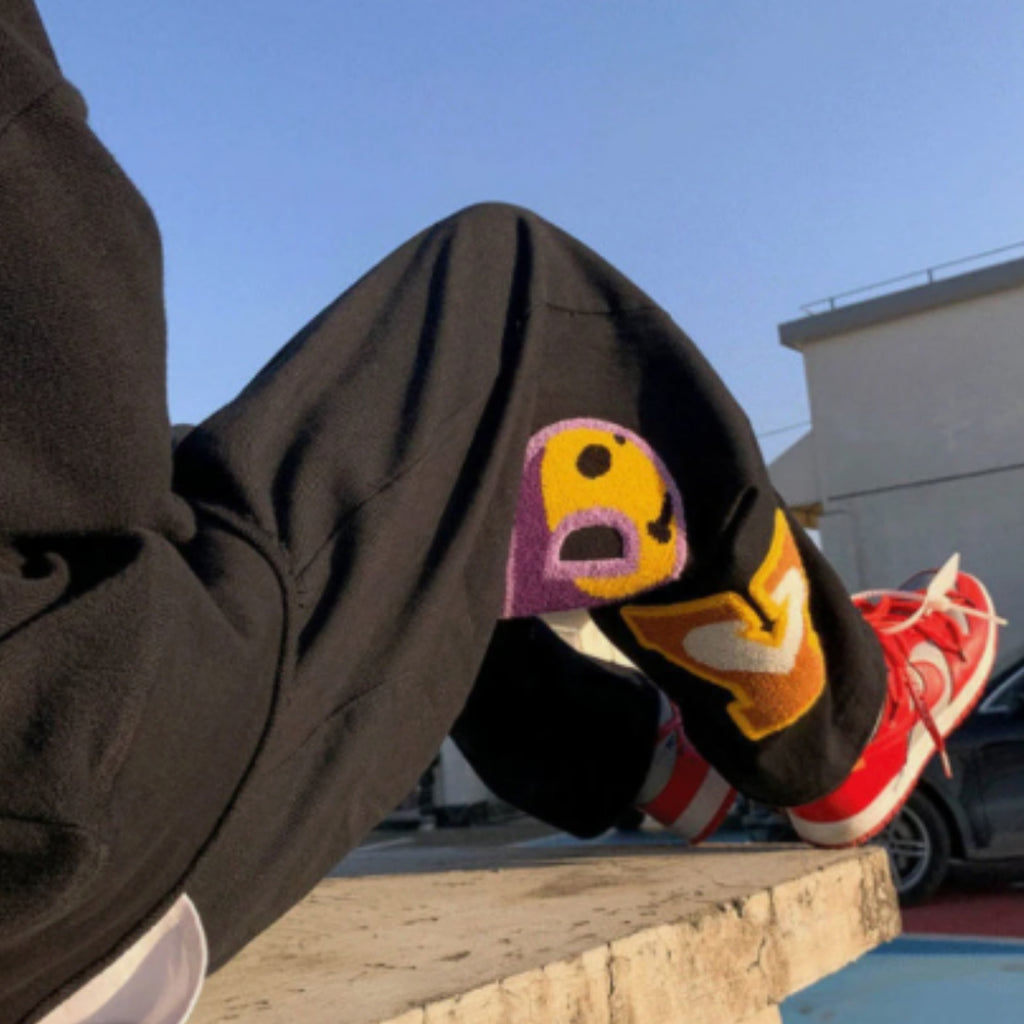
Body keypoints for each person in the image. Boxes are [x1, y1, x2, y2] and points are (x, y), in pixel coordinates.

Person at [0, 3, 1001, 1022]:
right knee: (524, 299)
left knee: (397, 499)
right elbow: (84, 375)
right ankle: (834, 729)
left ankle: (648, 754)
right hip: (50, 806)